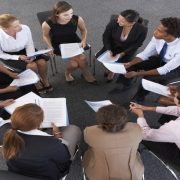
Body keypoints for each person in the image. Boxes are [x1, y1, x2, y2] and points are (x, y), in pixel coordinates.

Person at [0, 103, 81, 180]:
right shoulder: (54, 144)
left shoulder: (6, 134)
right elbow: (64, 160)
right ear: (38, 125)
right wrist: (58, 135)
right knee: (73, 129)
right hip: (46, 176)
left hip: (16, 174)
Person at [115, 17, 180, 100]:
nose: (154, 32)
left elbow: (163, 70)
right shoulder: (157, 37)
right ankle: (125, 84)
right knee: (131, 65)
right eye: (157, 28)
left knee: (148, 79)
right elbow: (145, 54)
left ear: (169, 35)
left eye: (159, 31)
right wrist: (130, 63)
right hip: (161, 58)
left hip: (175, 69)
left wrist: (137, 74)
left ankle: (138, 99)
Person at [83, 104, 144, 180]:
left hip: (99, 175)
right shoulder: (136, 128)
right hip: (134, 174)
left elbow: (88, 141)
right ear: (124, 118)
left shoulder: (89, 131)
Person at [42, 1, 96, 83]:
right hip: (58, 45)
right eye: (66, 15)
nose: (70, 16)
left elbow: (84, 30)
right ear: (57, 14)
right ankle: (87, 75)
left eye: (71, 13)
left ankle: (68, 73)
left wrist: (83, 40)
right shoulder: (47, 23)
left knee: (75, 63)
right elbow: (45, 36)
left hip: (74, 42)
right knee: (81, 58)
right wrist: (50, 47)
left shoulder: (76, 19)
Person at [0, 14, 52, 93]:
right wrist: (18, 57)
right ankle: (36, 83)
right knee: (32, 65)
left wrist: (30, 55)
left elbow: (29, 44)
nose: (20, 27)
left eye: (19, 23)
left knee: (42, 62)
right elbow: (1, 54)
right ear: (5, 29)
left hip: (25, 50)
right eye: (15, 26)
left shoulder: (25, 28)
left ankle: (45, 80)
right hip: (9, 56)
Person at [96, 9, 147, 82]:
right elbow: (106, 37)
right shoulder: (113, 22)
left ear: (132, 23)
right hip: (112, 46)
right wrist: (109, 49)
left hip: (127, 51)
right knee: (106, 59)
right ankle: (109, 69)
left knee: (120, 64)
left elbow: (138, 44)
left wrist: (123, 53)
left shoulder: (142, 29)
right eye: (118, 18)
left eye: (122, 21)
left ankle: (111, 72)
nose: (117, 21)